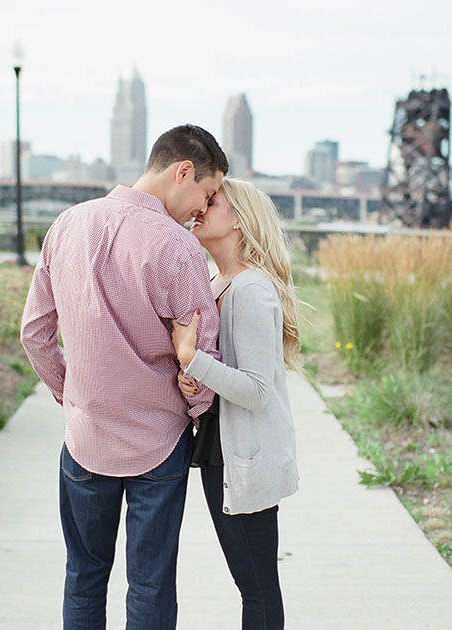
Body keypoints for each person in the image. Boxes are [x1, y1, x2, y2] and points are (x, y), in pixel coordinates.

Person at [20, 124, 228, 630]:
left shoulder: (67, 225)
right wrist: (198, 410)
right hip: (158, 443)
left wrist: (73, 396)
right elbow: (200, 356)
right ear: (183, 171)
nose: (204, 208)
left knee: (84, 574)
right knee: (152, 582)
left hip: (86, 438)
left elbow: (34, 333)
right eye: (206, 192)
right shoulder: (178, 250)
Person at [171, 178, 301, 629]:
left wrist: (193, 359)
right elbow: (225, 372)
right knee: (251, 582)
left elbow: (256, 389)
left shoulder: (250, 289)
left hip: (242, 457)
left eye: (214, 201)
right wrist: (195, 383)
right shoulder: (217, 282)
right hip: (219, 450)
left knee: (257, 586)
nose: (202, 207)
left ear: (240, 222)